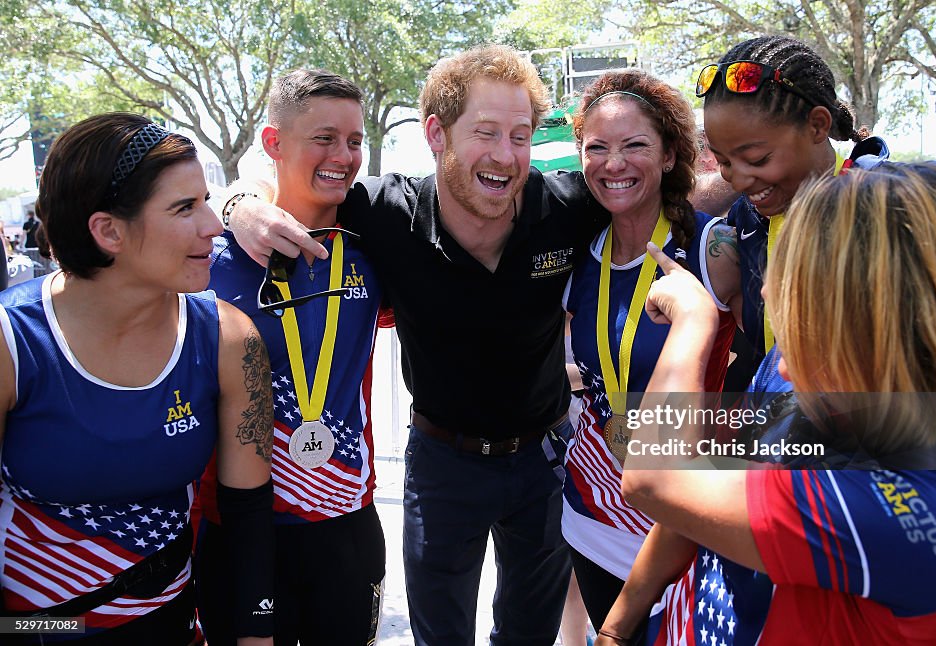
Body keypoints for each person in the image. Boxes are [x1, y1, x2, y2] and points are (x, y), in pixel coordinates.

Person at [227, 45, 613, 645]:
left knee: (531, 634)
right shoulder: (382, 212)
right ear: (436, 133)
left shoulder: (566, 205)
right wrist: (238, 204)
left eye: (520, 135)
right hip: (441, 464)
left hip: (543, 461)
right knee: (441, 636)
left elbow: (675, 184)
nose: (506, 156)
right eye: (485, 133)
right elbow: (294, 172)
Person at [595, 164, 936, 645]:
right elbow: (705, 482)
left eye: (803, 327)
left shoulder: (926, 507)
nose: (782, 365)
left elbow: (655, 480)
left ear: (875, 327)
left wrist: (694, 319)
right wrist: (615, 630)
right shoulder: (853, 394)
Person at [0, 113, 274, 645]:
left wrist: (256, 636)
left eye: (206, 202)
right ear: (108, 231)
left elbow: (247, 518)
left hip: (171, 626)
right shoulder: (12, 343)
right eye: (183, 208)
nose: (214, 226)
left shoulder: (229, 339)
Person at [195, 69, 388, 646]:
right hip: (235, 525)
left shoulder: (375, 247)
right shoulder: (206, 259)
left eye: (355, 141)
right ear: (273, 143)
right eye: (324, 138)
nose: (344, 156)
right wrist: (237, 201)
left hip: (345, 521)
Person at [561, 69, 740, 632]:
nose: (613, 163)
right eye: (598, 147)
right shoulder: (578, 254)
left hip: (676, 523)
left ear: (668, 156)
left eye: (634, 145)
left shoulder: (715, 248)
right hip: (590, 514)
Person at [700, 36, 889, 372]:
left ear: (817, 125)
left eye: (757, 159)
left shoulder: (882, 206)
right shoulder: (748, 216)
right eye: (723, 162)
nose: (739, 182)